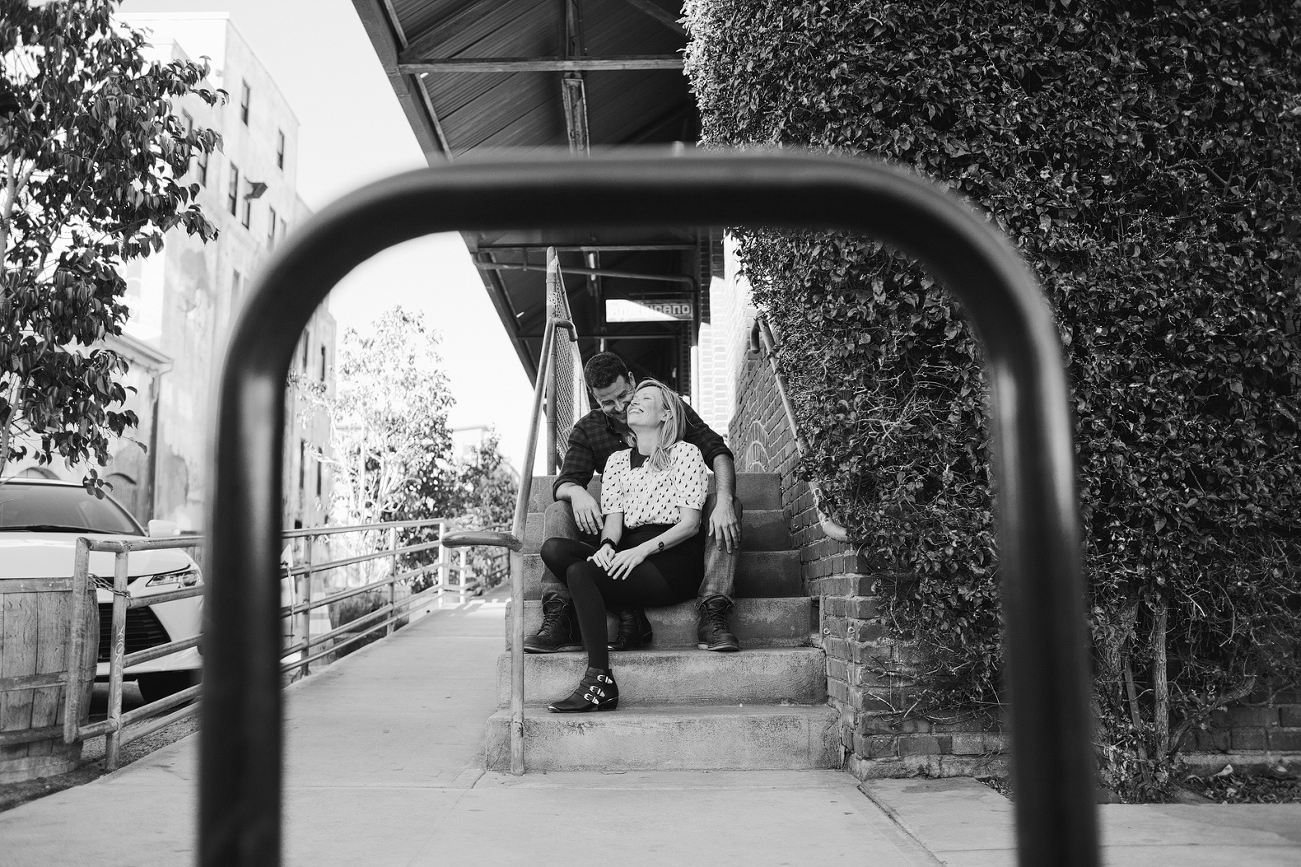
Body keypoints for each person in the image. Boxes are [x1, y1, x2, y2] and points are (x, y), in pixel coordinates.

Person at [526, 351, 742, 655]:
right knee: (559, 509)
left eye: (624, 396)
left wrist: (724, 500)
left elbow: (716, 451)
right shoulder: (590, 430)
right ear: (594, 399)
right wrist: (578, 494)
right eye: (607, 403)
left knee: (724, 503)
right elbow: (565, 481)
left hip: (672, 536)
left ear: (632, 381)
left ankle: (713, 610)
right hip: (618, 531)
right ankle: (561, 614)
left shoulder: (665, 409)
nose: (620, 408)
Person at [539, 379, 709, 711]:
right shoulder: (616, 461)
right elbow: (614, 522)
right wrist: (606, 545)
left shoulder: (686, 453)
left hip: (672, 560)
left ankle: (599, 681)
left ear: (665, 414)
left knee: (579, 573)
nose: (634, 403)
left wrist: (641, 551)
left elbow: (690, 524)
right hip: (627, 554)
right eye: (636, 399)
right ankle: (627, 613)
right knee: (555, 550)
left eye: (646, 398)